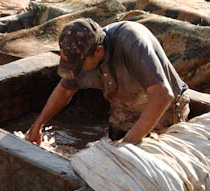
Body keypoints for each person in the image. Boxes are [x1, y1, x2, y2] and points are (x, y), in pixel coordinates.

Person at [25, 17, 190, 146]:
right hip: (125, 108)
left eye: (80, 66)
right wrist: (37, 125)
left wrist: (127, 143)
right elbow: (64, 90)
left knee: (153, 166)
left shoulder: (132, 41)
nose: (78, 71)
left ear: (98, 52)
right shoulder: (80, 54)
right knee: (116, 160)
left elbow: (162, 96)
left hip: (165, 110)